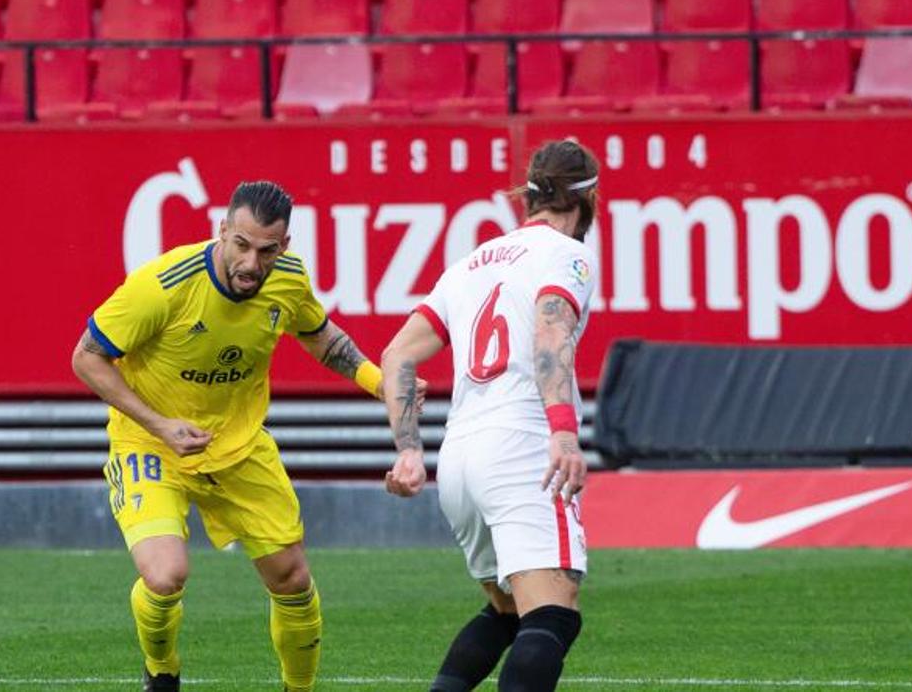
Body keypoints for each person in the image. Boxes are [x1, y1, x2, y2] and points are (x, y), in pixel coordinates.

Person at [71, 180, 390, 692]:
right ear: (222, 231)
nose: (251, 263)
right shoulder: (163, 285)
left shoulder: (287, 280)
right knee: (165, 575)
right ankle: (162, 672)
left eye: (266, 250)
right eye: (240, 245)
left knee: (292, 579)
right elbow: (86, 357)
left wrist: (381, 383)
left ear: (283, 247)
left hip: (238, 447)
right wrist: (160, 424)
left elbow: (321, 337)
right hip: (150, 441)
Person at [380, 139, 600, 692]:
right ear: (588, 198)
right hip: (521, 445)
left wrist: (409, 449)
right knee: (553, 613)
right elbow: (550, 333)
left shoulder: (471, 263)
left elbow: (397, 355)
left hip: (460, 457)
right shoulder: (567, 254)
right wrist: (564, 435)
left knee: (508, 612)